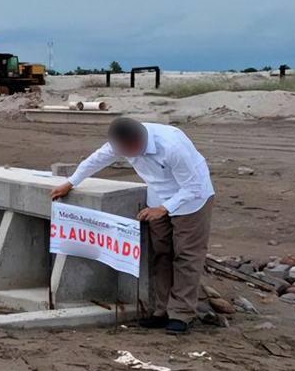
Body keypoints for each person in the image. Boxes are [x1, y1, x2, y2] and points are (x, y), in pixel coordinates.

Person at [50, 117, 214, 335]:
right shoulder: (121, 142)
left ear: (138, 142)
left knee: (186, 256)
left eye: (126, 151)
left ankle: (181, 314)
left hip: (191, 201)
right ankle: (162, 310)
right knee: (161, 253)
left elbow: (193, 186)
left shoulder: (173, 146)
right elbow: (98, 159)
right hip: (157, 196)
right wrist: (72, 182)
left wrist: (163, 209)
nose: (121, 154)